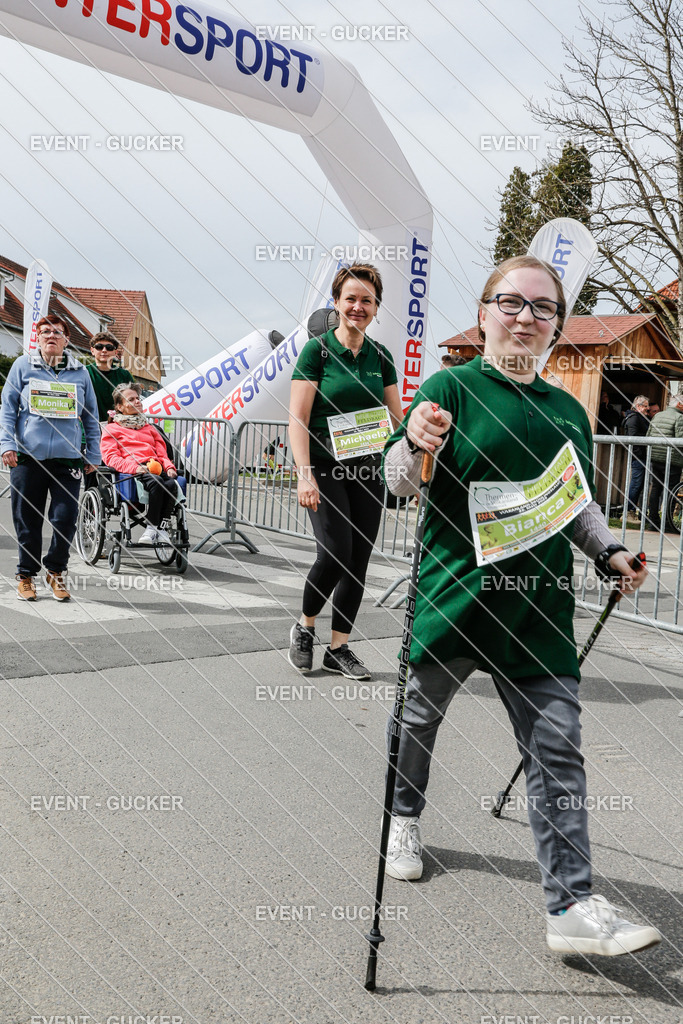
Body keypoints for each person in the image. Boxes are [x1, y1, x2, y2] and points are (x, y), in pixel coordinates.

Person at [382, 254, 661, 956]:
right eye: (511, 303)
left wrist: (609, 553)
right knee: (417, 722)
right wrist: (413, 443)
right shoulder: (450, 386)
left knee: (557, 751)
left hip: (537, 612)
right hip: (454, 597)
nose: (524, 318)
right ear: (484, 313)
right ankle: (402, 816)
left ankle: (569, 906)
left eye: (542, 309)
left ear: (555, 328)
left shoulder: (569, 411)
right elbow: (398, 482)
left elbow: (578, 507)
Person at [288, 263, 403, 681]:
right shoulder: (316, 351)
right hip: (322, 466)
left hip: (367, 470)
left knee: (358, 560)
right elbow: (298, 418)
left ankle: (339, 648)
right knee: (335, 551)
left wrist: (415, 462)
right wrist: (304, 473)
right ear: (336, 304)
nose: (358, 306)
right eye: (350, 299)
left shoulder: (381, 357)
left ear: (376, 308)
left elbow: (397, 419)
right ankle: (305, 625)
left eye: (366, 300)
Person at [0, 314, 101, 601]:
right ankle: (26, 575)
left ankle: (55, 571)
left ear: (67, 339)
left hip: (67, 459)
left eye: (58, 332)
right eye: (45, 332)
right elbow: (7, 408)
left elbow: (91, 417)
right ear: (38, 338)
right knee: (27, 519)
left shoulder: (81, 372)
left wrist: (93, 453)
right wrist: (6, 443)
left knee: (65, 518)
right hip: (27, 456)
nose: (51, 336)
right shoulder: (23, 366)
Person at [100, 383, 178, 544]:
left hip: (155, 466)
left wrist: (169, 467)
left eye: (138, 398)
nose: (137, 401)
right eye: (131, 399)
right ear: (120, 407)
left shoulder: (149, 428)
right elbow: (111, 458)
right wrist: (135, 468)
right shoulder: (112, 430)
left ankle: (161, 528)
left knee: (172, 484)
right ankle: (151, 528)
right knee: (157, 482)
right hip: (131, 471)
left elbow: (161, 453)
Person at [645, 394, 683, 532]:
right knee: (671, 491)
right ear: (679, 404)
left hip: (655, 459)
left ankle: (653, 522)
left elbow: (648, 436)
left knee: (656, 489)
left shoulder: (658, 415)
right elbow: (681, 440)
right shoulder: (680, 417)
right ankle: (667, 524)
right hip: (672, 460)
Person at [86, 331, 135, 422]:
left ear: (115, 352)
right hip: (89, 428)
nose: (104, 350)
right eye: (99, 347)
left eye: (109, 348)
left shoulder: (124, 375)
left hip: (119, 427)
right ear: (92, 351)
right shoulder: (84, 372)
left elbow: (133, 402)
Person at [622, 395, 650, 521]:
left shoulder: (640, 418)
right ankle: (628, 512)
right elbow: (632, 438)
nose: (647, 408)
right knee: (636, 484)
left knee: (639, 484)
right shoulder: (634, 418)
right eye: (645, 406)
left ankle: (632, 511)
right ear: (638, 406)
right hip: (639, 457)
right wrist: (639, 455)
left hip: (642, 457)